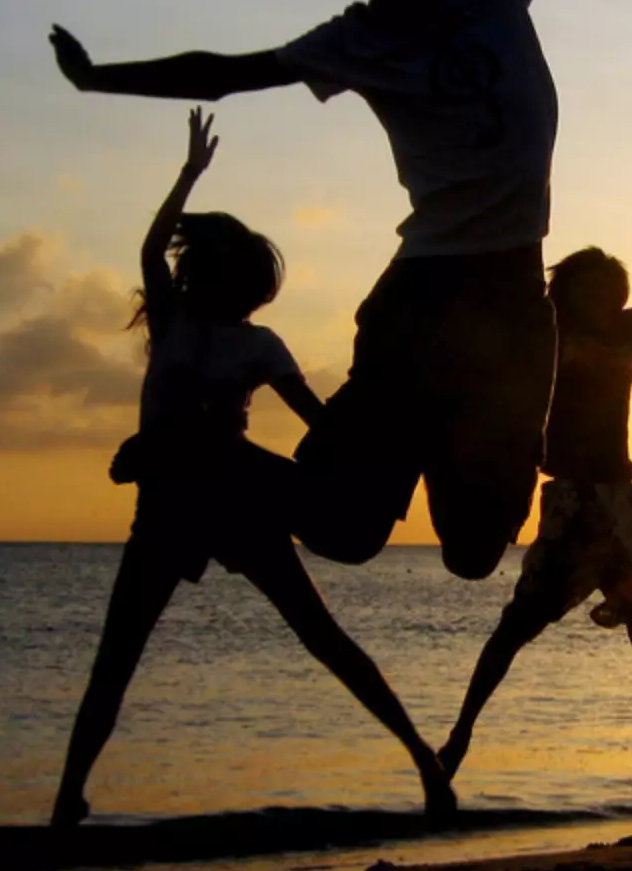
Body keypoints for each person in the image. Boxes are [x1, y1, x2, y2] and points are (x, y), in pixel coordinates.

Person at [48, 0, 625, 581]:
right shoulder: (353, 41)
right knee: (342, 531)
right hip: (423, 297)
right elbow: (224, 72)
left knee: (475, 552)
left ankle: (427, 431)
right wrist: (99, 79)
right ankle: (197, 453)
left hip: (511, 302)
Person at [51, 108, 455, 827]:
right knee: (117, 658)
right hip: (169, 507)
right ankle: (67, 801)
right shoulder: (174, 322)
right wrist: (188, 175)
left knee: (320, 635)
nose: (248, 292)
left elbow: (318, 422)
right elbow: (150, 249)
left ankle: (425, 762)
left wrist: (379, 447)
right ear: (212, 276)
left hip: (238, 500)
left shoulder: (261, 345)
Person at [436, 206, 632, 781]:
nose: (602, 298)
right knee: (517, 626)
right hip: (571, 500)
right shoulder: (542, 332)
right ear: (564, 290)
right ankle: (462, 730)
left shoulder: (627, 330)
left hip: (620, 497)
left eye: (611, 289)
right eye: (589, 287)